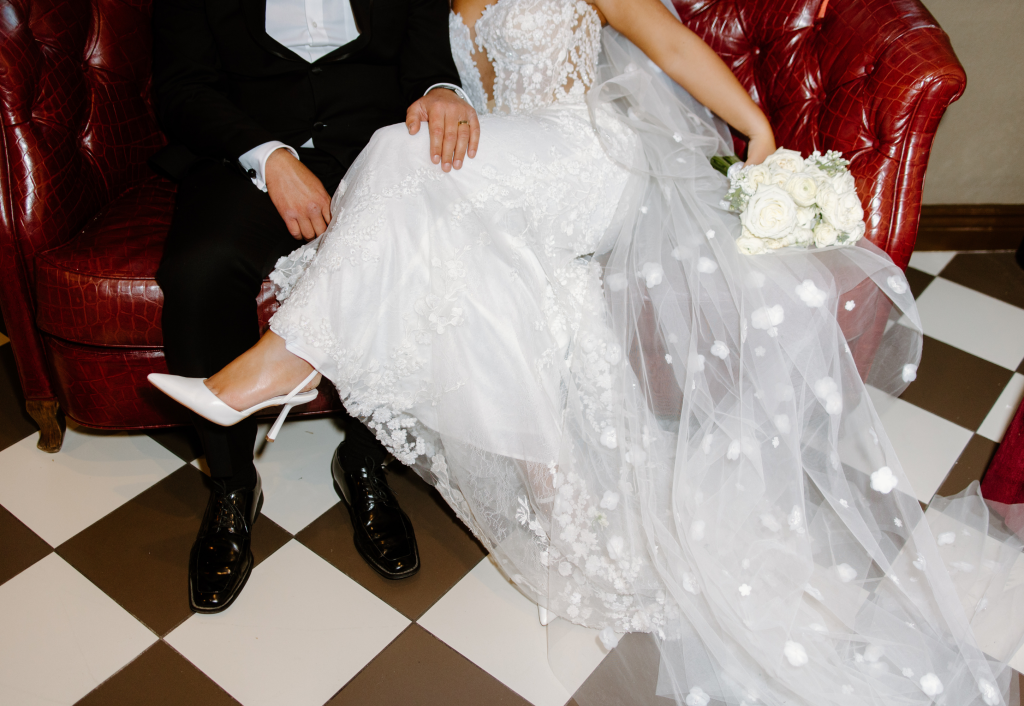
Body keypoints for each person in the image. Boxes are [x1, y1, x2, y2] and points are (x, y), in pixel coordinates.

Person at [151, 0, 1024, 702]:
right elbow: (421, 80)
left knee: (394, 152)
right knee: (466, 256)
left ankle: (286, 355)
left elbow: (666, 37)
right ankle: (555, 498)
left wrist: (756, 128)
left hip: (584, 161)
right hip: (506, 174)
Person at [150, 0, 481, 613]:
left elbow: (427, 67)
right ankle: (231, 486)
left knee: (416, 256)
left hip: (374, 156)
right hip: (244, 157)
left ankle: (364, 459)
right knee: (199, 270)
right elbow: (181, 88)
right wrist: (269, 157)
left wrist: (441, 90)